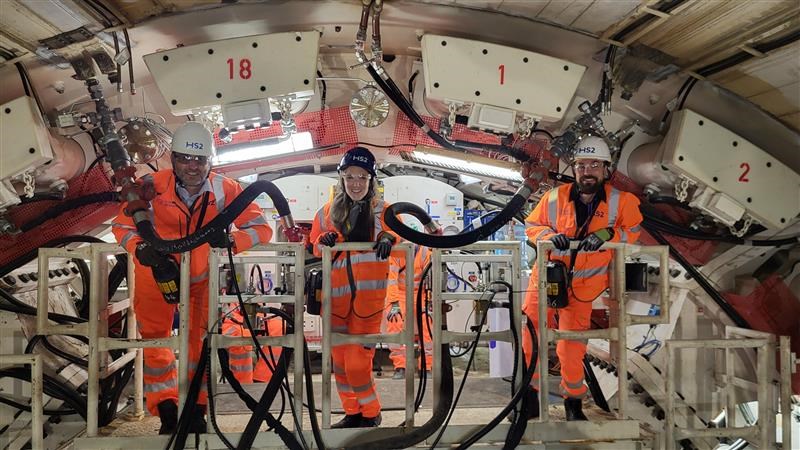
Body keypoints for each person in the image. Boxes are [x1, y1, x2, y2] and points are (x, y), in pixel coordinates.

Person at [111, 122, 272, 434]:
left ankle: (196, 408)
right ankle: (167, 408)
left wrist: (233, 242)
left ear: (210, 161)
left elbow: (261, 228)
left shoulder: (227, 190)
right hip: (155, 275)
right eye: (185, 159)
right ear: (173, 159)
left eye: (200, 160)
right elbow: (122, 225)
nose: (192, 167)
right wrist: (139, 246)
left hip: (201, 278)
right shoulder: (150, 185)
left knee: (198, 344)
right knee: (156, 341)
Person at [521, 136, 642, 421]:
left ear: (605, 170)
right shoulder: (554, 197)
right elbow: (532, 226)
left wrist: (607, 234)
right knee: (530, 335)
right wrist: (550, 237)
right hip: (547, 280)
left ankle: (573, 401)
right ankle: (530, 396)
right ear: (574, 169)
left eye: (594, 165)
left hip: (584, 289)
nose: (587, 171)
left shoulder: (622, 202)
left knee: (572, 347)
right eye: (582, 165)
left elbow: (632, 230)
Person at [309, 146, 398, 428]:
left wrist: (388, 237)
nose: (356, 183)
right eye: (350, 177)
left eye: (362, 177)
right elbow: (313, 243)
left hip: (367, 306)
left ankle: (371, 414)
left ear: (372, 180)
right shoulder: (326, 213)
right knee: (339, 364)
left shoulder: (385, 212)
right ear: (341, 178)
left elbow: (402, 238)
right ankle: (353, 413)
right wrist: (321, 240)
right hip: (335, 304)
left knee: (357, 364)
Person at [384, 243, 434, 379]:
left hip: (421, 294)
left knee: (428, 321)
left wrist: (429, 303)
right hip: (400, 293)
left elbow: (430, 282)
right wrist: (394, 303)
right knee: (394, 320)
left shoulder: (425, 252)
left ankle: (426, 365)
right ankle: (400, 365)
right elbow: (392, 280)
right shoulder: (396, 252)